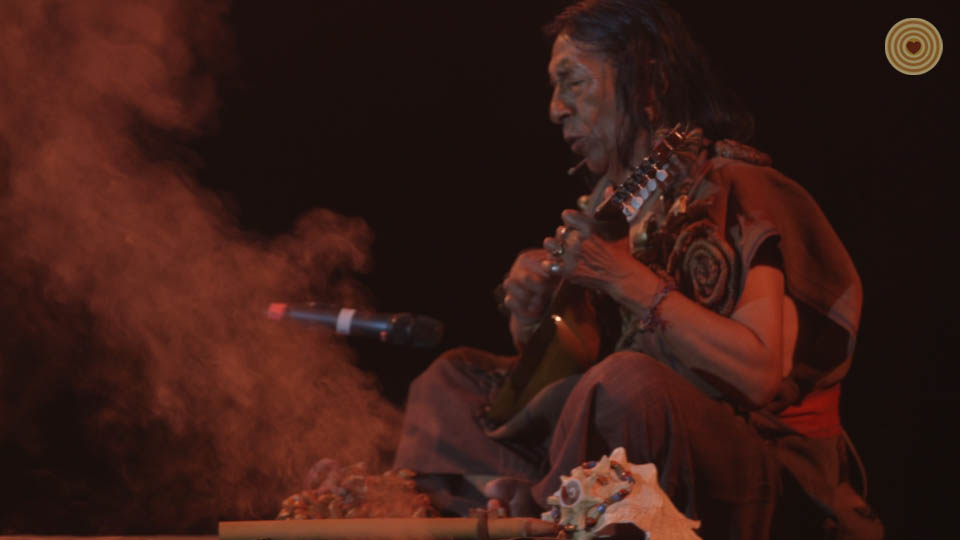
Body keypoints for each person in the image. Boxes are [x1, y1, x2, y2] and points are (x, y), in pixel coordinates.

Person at [394, 1, 882, 538]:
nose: (556, 109)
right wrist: (534, 316)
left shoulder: (736, 188)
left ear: (648, 84)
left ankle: (545, 509)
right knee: (452, 380)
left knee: (626, 385)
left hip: (757, 464)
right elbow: (581, 364)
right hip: (631, 440)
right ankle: (524, 503)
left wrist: (623, 278)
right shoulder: (612, 210)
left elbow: (758, 374)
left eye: (573, 82)